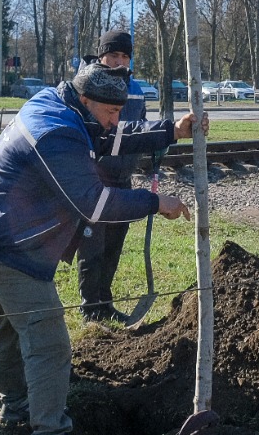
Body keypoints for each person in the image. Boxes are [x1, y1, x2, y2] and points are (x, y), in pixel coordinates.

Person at [0, 61, 191, 435]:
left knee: (8, 329)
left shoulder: (60, 105)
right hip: (11, 250)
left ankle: (16, 410)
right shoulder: (59, 133)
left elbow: (110, 136)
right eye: (110, 111)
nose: (115, 120)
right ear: (86, 101)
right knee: (50, 344)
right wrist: (157, 202)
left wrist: (171, 131)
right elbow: (95, 204)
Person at [75, 29, 205, 321]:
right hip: (95, 179)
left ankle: (104, 304)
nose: (120, 62)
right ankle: (90, 308)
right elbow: (107, 134)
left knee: (114, 244)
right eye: (113, 55)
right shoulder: (88, 87)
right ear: (101, 56)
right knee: (93, 245)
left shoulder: (133, 88)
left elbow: (136, 129)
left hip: (123, 175)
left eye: (125, 56)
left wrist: (157, 145)